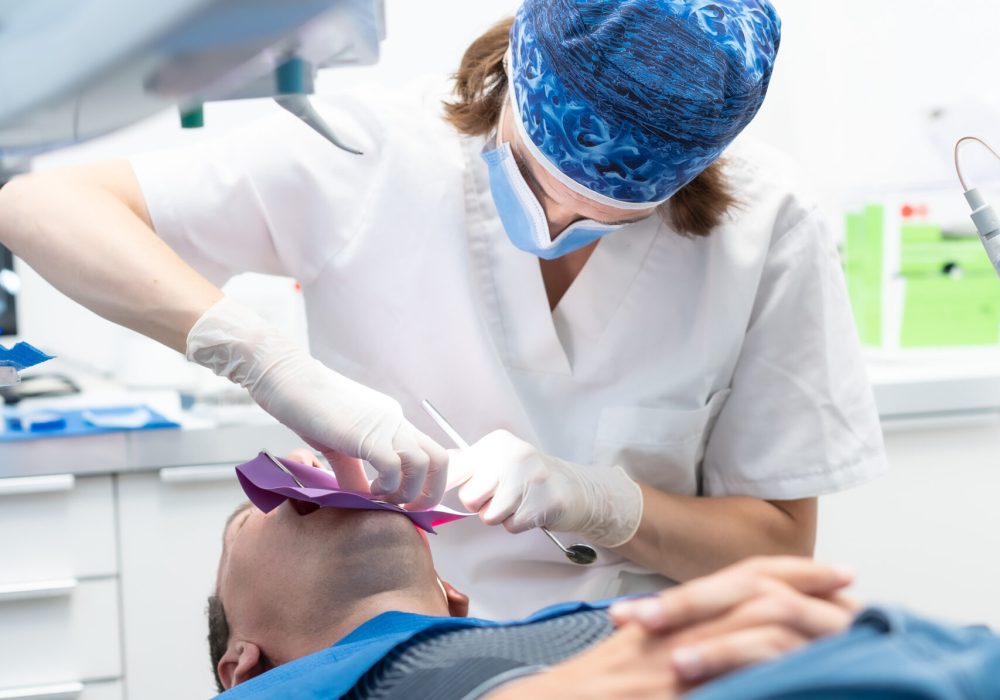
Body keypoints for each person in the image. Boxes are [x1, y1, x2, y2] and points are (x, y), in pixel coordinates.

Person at [0, 0, 887, 617]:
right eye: (544, 181)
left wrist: (596, 502)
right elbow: (38, 207)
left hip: (638, 657)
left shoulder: (770, 222)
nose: (558, 224)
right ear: (513, 80)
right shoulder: (370, 153)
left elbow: (774, 548)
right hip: (409, 642)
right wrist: (267, 363)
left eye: (611, 218)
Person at [210, 495, 1000, 699]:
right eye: (254, 510)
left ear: (455, 597)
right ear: (241, 666)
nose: (310, 472)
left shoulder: (590, 625)